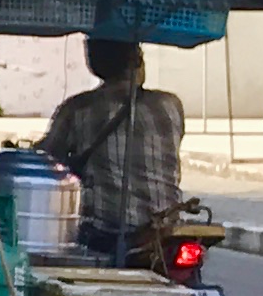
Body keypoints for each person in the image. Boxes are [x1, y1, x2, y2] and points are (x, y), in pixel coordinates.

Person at [38, 32, 188, 258]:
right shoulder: (170, 105)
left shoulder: (78, 109)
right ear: (137, 60)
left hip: (106, 233)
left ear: (93, 64)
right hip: (166, 226)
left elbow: (46, 160)